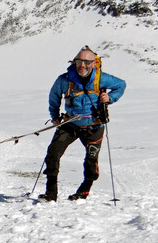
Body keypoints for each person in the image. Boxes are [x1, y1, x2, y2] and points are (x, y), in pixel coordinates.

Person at [39, 46, 126, 202]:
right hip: (70, 124)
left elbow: (121, 85)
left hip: (94, 125)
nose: (82, 65)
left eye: (87, 62)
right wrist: (54, 116)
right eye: (79, 61)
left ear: (94, 63)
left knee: (91, 160)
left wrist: (110, 98)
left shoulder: (101, 79)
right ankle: (51, 194)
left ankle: (84, 190)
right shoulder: (65, 80)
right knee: (53, 152)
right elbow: (54, 97)